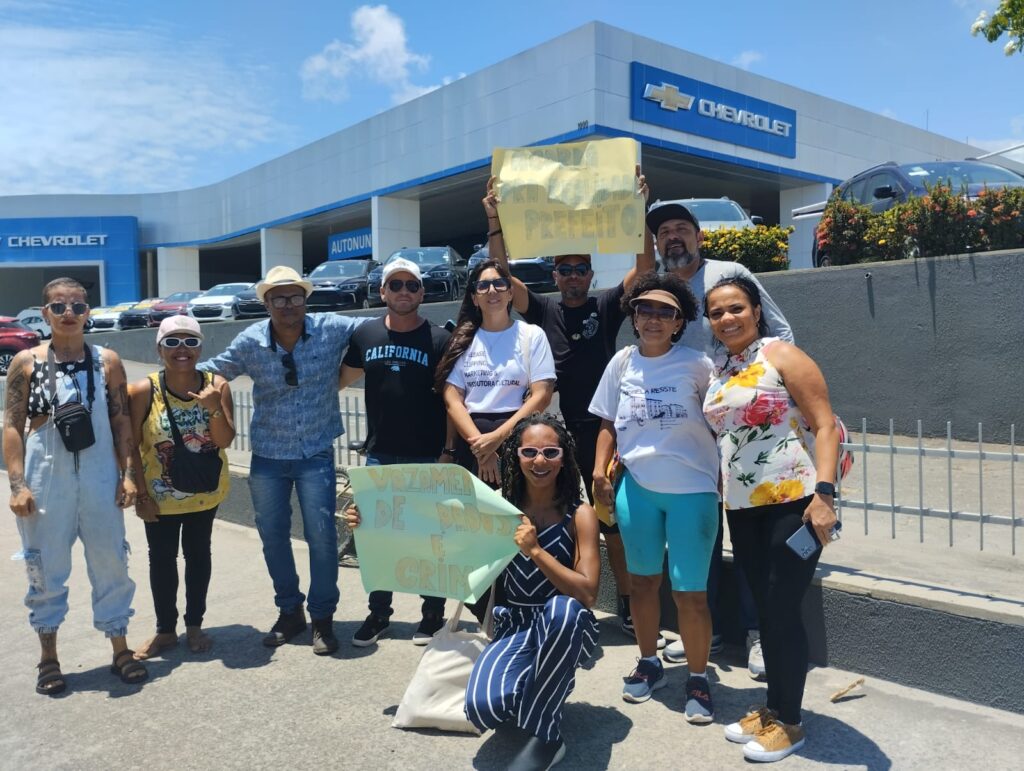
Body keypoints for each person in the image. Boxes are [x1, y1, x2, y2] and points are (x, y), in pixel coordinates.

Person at [481, 168, 653, 641]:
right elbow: (503, 276)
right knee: (566, 517)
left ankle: (627, 604)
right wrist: (495, 221)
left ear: (591, 274)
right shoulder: (545, 309)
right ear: (555, 275)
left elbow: (644, 272)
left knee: (610, 521)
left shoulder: (605, 304)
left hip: (605, 429)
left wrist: (638, 210)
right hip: (559, 433)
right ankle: (558, 599)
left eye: (581, 268)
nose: (574, 276)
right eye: (565, 269)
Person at [642, 198, 793, 676]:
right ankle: (699, 634)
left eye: (682, 228)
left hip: (743, 434)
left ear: (699, 236)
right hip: (687, 438)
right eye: (664, 231)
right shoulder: (660, 290)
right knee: (699, 541)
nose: (673, 237)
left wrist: (751, 386)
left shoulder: (729, 273)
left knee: (752, 534)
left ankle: (757, 637)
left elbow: (781, 332)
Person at [702, 275, 840, 762]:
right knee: (765, 606)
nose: (726, 318)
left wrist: (824, 494)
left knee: (782, 610)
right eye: (717, 312)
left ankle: (792, 722)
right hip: (744, 509)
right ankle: (775, 707)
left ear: (756, 311)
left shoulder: (780, 355)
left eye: (736, 308)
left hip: (795, 502)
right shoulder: (722, 368)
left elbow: (824, 423)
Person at [201, 265, 365, 656]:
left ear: (305, 300)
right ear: (266, 303)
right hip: (269, 456)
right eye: (279, 298)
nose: (288, 305)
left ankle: (322, 619)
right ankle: (290, 611)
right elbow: (211, 371)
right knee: (273, 537)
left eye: (295, 297)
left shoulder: (331, 327)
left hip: (316, 453)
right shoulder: (250, 341)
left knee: (323, 538)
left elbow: (378, 327)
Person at [4, 277, 147, 695]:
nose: (70, 314)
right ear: (45, 313)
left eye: (78, 307)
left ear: (89, 312)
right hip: (47, 479)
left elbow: (121, 420)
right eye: (60, 307)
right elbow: (12, 425)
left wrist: (126, 475)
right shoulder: (26, 362)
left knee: (112, 562)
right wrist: (17, 485)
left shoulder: (107, 361)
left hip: (101, 475)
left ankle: (120, 646)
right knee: (44, 566)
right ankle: (48, 655)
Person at [588, 272, 720, 724]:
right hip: (636, 490)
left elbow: (723, 419)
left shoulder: (699, 365)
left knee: (691, 594)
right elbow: (607, 422)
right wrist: (598, 471)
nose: (655, 318)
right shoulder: (622, 363)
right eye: (646, 309)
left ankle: (698, 678)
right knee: (642, 583)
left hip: (693, 492)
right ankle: (649, 662)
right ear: (634, 316)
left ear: (681, 322)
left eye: (667, 312)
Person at [338, 257, 457, 648]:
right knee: (378, 541)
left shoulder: (439, 339)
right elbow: (340, 380)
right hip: (381, 455)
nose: (403, 292)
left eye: (411, 285)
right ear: (383, 291)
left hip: (427, 454)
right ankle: (379, 614)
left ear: (421, 293)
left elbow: (455, 399)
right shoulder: (365, 335)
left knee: (429, 540)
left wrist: (448, 451)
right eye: (396, 285)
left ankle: (431, 616)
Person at [128, 315, 235, 659]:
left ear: (201, 347)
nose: (182, 349)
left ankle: (194, 625)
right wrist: (140, 494)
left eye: (190, 341)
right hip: (159, 496)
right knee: (161, 559)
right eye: (172, 342)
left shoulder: (216, 384)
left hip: (205, 490)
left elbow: (225, 440)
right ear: (159, 349)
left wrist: (214, 408)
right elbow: (130, 444)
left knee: (198, 555)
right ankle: (165, 630)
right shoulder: (144, 390)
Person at [435, 259, 555, 488]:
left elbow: (542, 396)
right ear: (474, 298)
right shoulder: (462, 341)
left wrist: (496, 439)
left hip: (518, 441)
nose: (492, 290)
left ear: (510, 293)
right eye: (483, 286)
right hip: (471, 445)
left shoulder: (531, 335)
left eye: (499, 284)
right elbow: (452, 400)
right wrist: (482, 448)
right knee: (473, 519)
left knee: (516, 516)